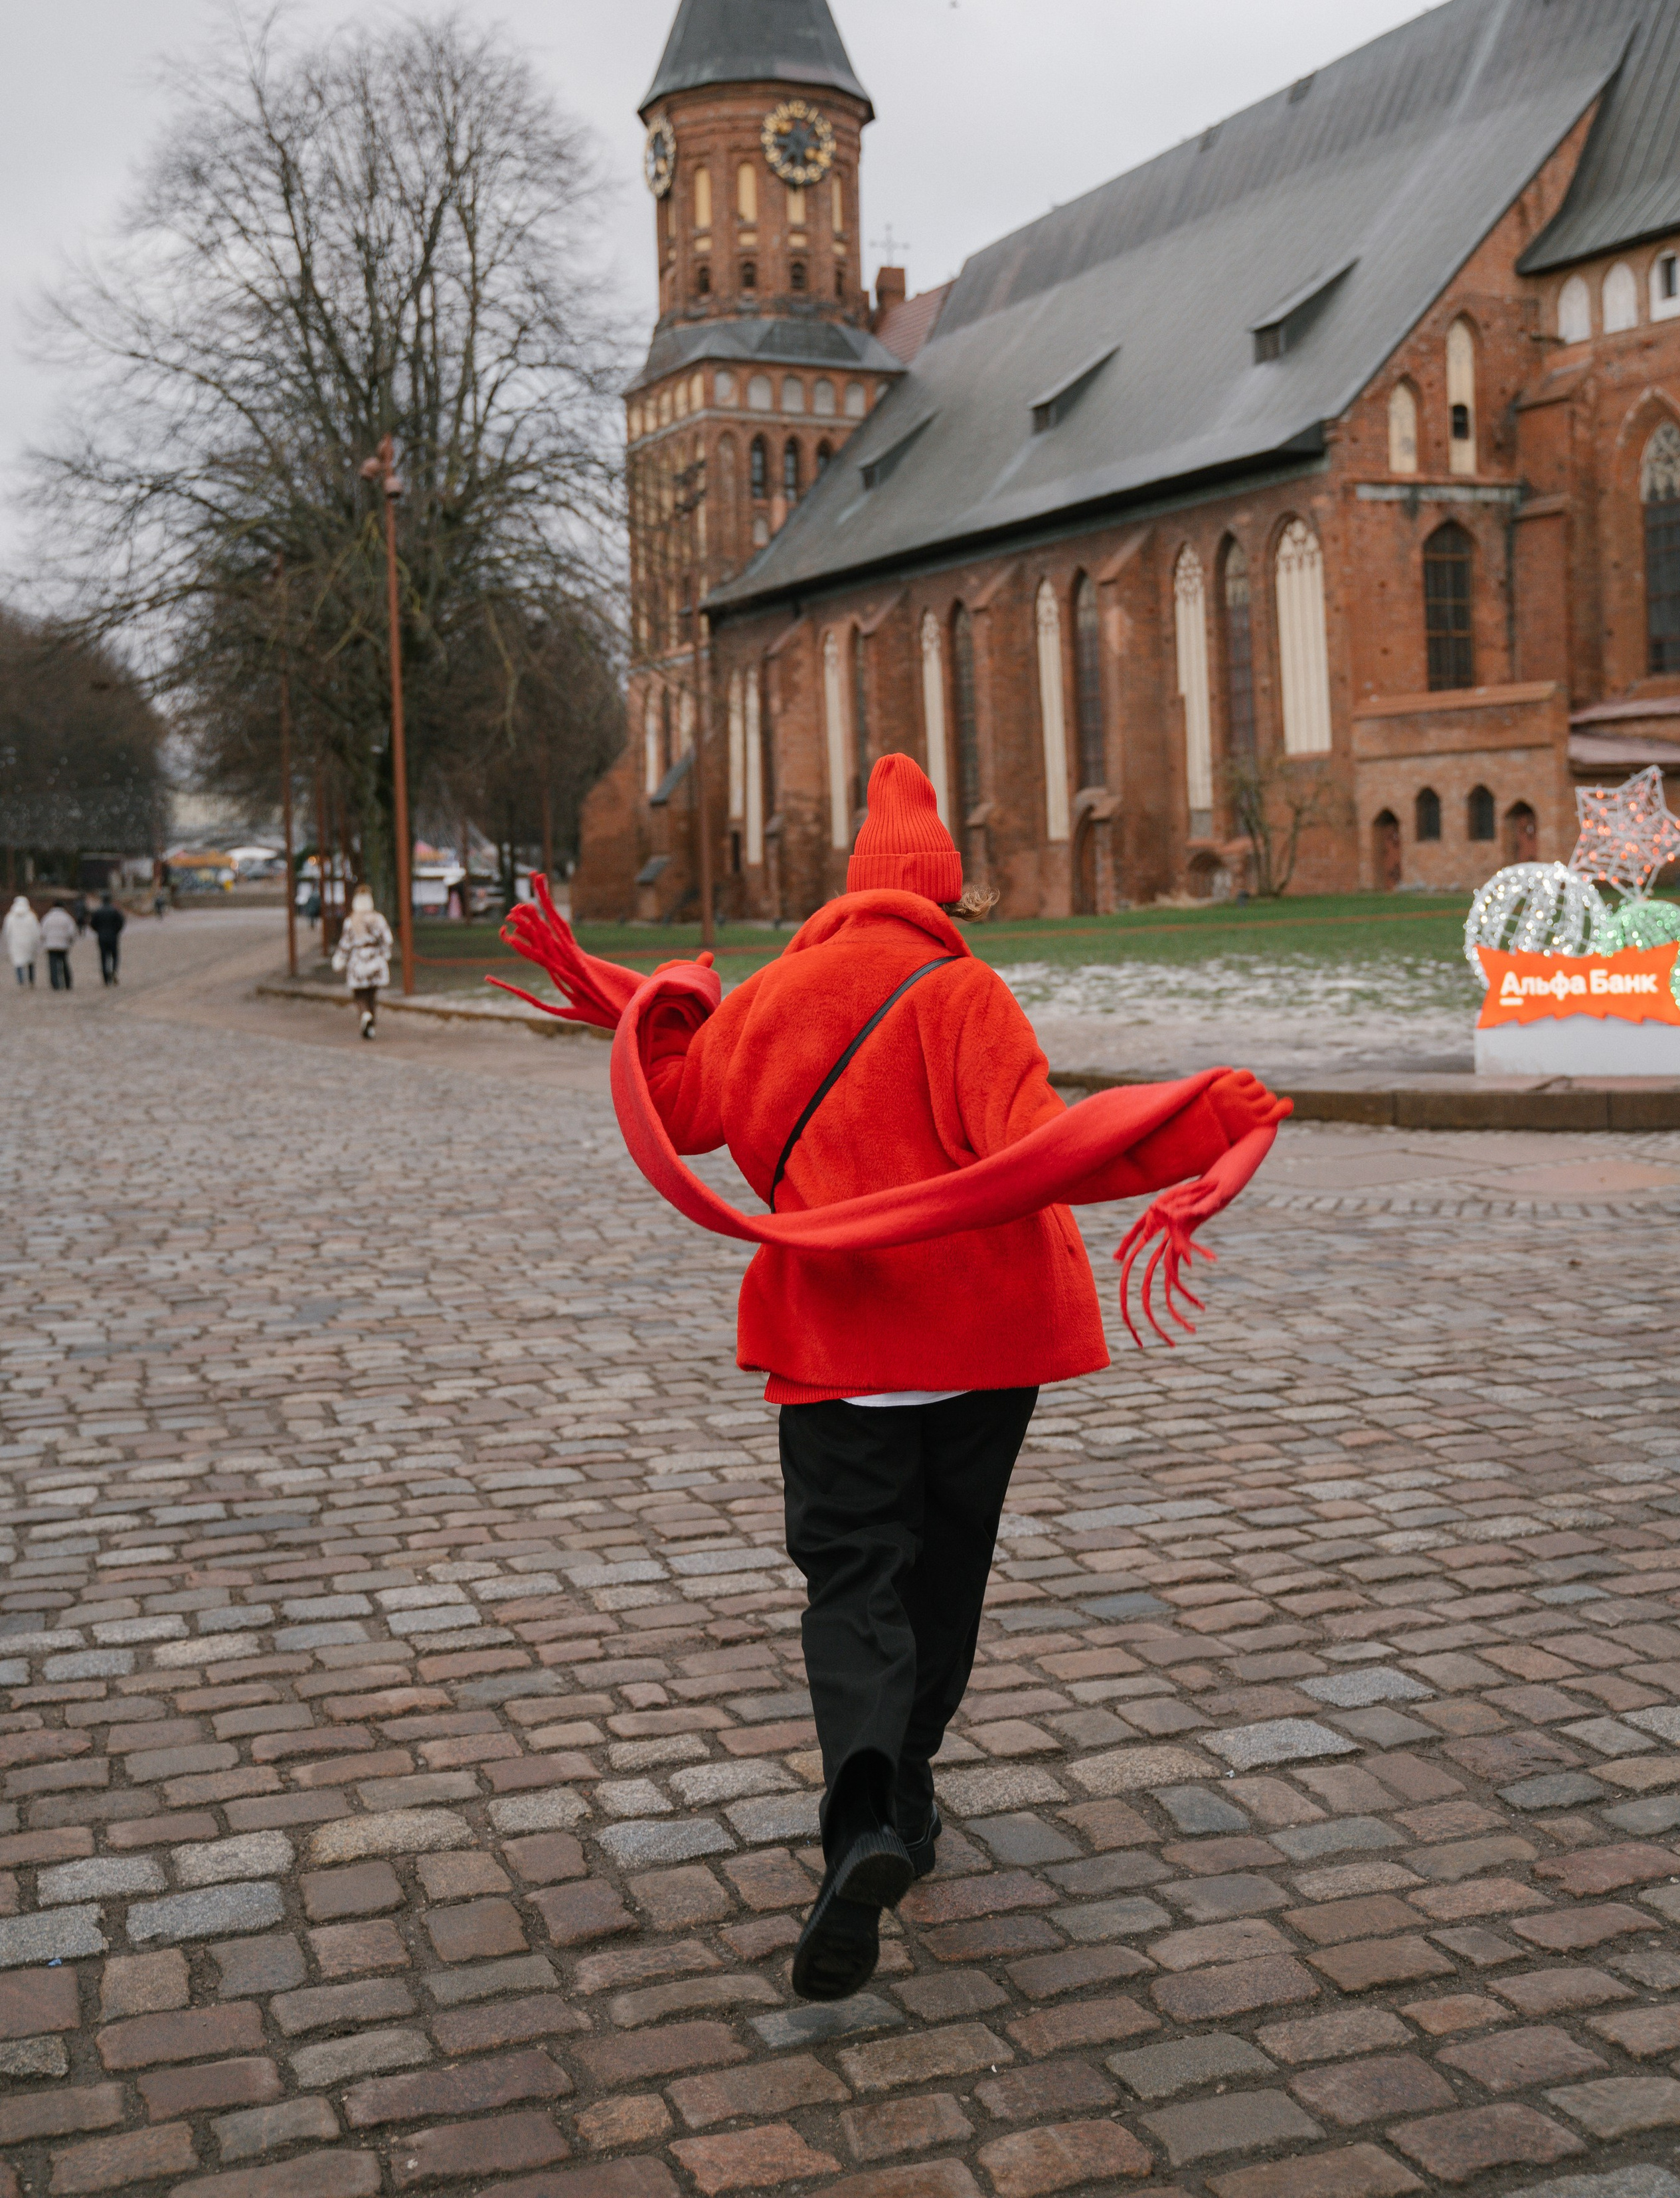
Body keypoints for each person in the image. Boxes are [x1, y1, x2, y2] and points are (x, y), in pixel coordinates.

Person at [499, 752, 1286, 2003]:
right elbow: (1043, 1155)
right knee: (947, 1574)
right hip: (983, 1350)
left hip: (838, 1351)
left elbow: (678, 1106)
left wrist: (665, 998)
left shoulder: (769, 999)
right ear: (946, 898)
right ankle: (909, 1799)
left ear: (849, 890)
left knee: (854, 1581)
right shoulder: (965, 997)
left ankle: (867, 1810)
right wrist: (1206, 1120)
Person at [331, 885, 393, 1039]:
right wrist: (385, 955)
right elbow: (388, 939)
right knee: (372, 994)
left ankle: (365, 1014)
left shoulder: (351, 921)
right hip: (375, 960)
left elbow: (345, 945)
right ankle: (371, 1022)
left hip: (358, 961)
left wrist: (340, 960)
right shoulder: (378, 919)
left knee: (359, 995)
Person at [5, 896, 41, 987]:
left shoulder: (10, 917)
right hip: (29, 943)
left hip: (16, 943)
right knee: (30, 962)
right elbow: (37, 931)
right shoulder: (31, 916)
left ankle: (21, 981)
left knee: (18, 962)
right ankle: (31, 981)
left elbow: (7, 931)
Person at [40, 902, 76, 991]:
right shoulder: (67, 918)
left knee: (53, 965)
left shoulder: (47, 917)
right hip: (63, 945)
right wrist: (70, 941)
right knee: (64, 964)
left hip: (51, 945)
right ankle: (67, 982)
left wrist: (45, 941)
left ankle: (55, 984)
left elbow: (42, 932)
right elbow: (72, 932)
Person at [91, 893, 126, 987]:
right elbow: (121, 922)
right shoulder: (115, 911)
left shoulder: (98, 911)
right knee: (114, 955)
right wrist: (116, 931)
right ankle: (114, 970)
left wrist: (99, 931)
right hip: (113, 936)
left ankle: (106, 978)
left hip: (102, 937)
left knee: (103, 957)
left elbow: (93, 924)